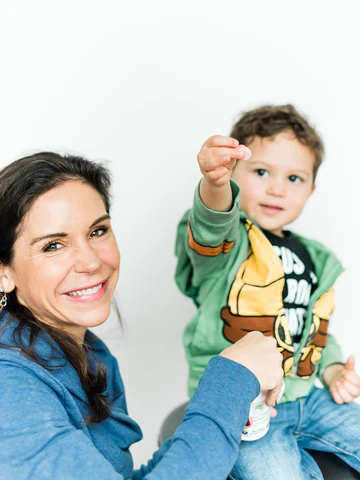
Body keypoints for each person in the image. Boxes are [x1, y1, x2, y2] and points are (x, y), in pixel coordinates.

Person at [0, 152, 284, 480]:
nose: (91, 262)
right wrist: (231, 380)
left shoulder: (88, 354)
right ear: (4, 273)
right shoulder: (10, 387)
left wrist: (231, 407)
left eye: (97, 231)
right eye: (53, 245)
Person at [175, 104, 360, 479]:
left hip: (311, 396)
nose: (277, 188)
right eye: (261, 172)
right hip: (247, 406)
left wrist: (335, 368)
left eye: (294, 178)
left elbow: (310, 329)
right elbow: (212, 223)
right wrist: (214, 185)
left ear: (311, 188)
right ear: (234, 173)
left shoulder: (315, 257)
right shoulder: (229, 243)